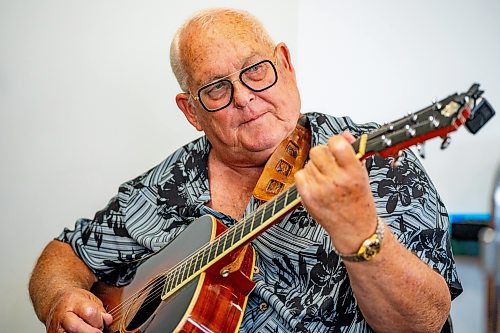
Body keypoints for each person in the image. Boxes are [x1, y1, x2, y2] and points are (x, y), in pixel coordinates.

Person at [29, 8, 462, 333]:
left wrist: (358, 229)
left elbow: (423, 322)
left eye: (255, 70)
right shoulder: (169, 184)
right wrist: (59, 299)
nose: (244, 97)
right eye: (216, 88)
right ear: (192, 112)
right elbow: (64, 253)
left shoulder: (371, 162)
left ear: (286, 65)